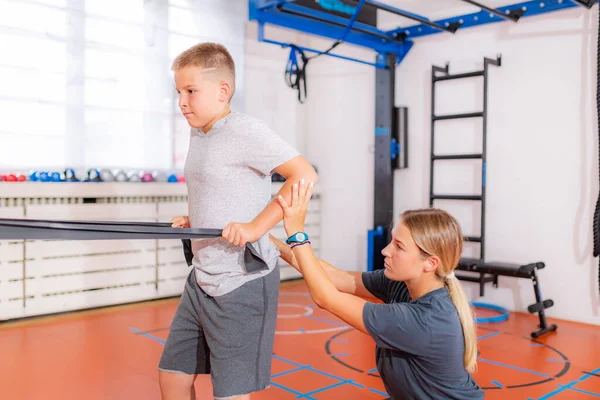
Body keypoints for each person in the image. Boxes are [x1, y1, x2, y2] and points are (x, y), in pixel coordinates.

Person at [159, 42, 318, 400]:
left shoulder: (246, 130)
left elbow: (303, 175)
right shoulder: (198, 133)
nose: (181, 102)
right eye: (178, 92)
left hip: (242, 281)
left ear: (223, 90)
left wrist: (256, 227)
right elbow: (221, 189)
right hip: (202, 276)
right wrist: (195, 218)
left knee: (230, 394)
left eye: (190, 91)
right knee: (172, 377)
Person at [271, 180, 485, 400]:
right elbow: (336, 278)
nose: (385, 250)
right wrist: (270, 243)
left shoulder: (427, 319)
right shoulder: (402, 283)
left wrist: (297, 234)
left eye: (399, 246)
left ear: (430, 263)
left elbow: (326, 297)